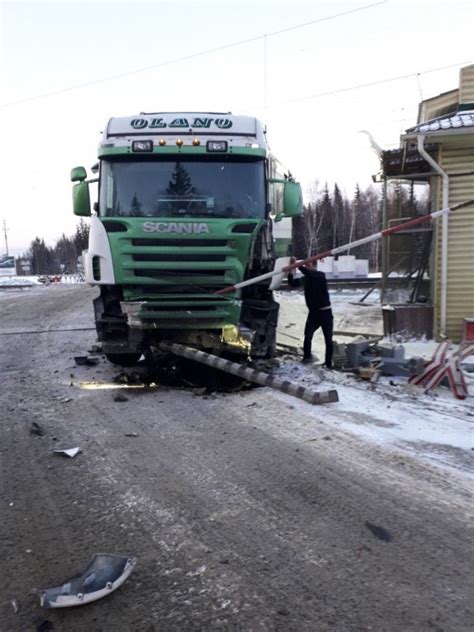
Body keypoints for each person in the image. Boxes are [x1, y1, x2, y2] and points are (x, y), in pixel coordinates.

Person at [289, 258, 333, 368]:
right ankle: (307, 357)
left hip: (325, 312)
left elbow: (309, 274)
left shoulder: (320, 276)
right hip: (313, 313)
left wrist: (298, 265)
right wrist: (290, 271)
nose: (307, 268)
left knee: (328, 338)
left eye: (308, 265)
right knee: (308, 335)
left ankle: (328, 363)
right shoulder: (306, 278)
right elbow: (293, 283)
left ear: (314, 266)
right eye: (306, 266)